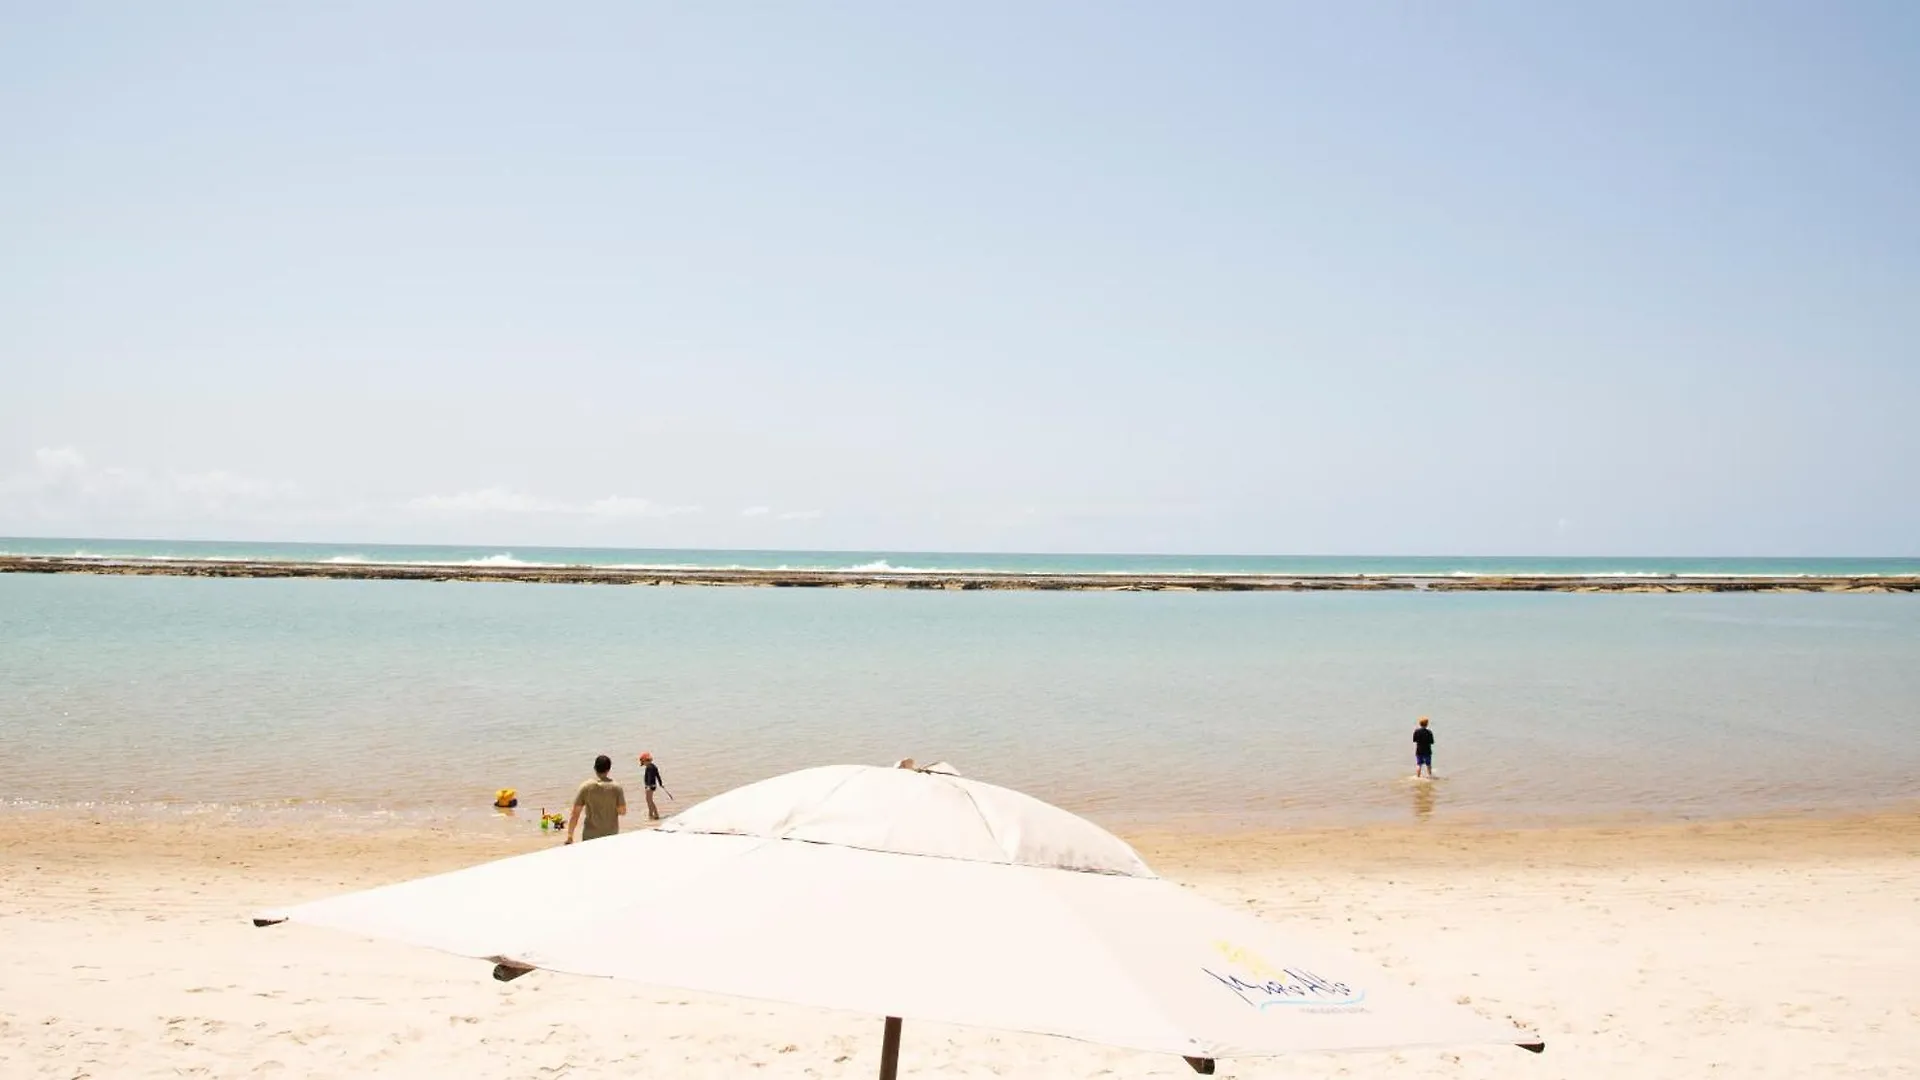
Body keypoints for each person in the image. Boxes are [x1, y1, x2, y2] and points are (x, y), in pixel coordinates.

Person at [566, 754, 626, 843]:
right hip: (611, 835)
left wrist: (570, 836)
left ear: (595, 768)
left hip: (590, 835)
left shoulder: (586, 787)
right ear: (609, 769)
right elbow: (622, 812)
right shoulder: (616, 788)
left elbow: (575, 814)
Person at [637, 751, 664, 821]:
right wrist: (660, 784)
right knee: (649, 800)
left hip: (650, 786)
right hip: (652, 785)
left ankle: (654, 814)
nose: (644, 764)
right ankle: (652, 814)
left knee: (649, 801)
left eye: (643, 762)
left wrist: (648, 786)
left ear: (646, 760)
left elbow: (649, 777)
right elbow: (658, 776)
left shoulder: (649, 767)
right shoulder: (653, 766)